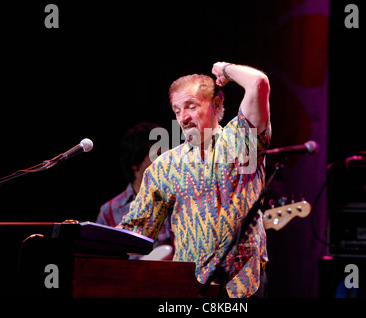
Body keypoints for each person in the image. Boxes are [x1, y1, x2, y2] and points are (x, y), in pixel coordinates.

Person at [118, 62, 271, 298]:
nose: (183, 118)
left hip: (242, 285)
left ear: (217, 105)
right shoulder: (164, 167)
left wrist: (225, 69)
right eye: (177, 111)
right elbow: (136, 229)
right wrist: (85, 240)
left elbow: (258, 83)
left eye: (191, 106)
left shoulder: (240, 141)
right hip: (190, 287)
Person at [97, 121, 173, 253]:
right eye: (158, 155)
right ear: (135, 162)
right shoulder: (108, 212)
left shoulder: (176, 199)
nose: (166, 162)